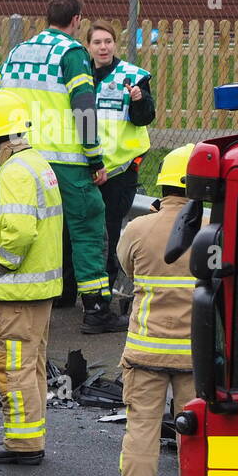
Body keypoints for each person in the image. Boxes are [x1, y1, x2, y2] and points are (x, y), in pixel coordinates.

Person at [0, 0, 123, 335]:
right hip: (67, 161)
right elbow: (83, 106)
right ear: (77, 20)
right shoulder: (72, 53)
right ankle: (95, 310)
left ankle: (54, 293)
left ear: (47, 17)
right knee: (88, 229)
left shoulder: (19, 51)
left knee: (39, 225)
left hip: (23, 156)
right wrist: (94, 156)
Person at [0, 91, 65, 465]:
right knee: (32, 364)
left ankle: (22, 445)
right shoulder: (38, 163)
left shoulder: (15, 172)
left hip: (19, 289)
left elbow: (20, 232)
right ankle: (30, 438)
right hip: (39, 287)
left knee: (14, 367)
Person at [104, 144, 197, 476]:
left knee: (141, 430)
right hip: (196, 356)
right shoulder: (213, 228)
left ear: (163, 184)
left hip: (147, 351)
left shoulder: (139, 228)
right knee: (196, 436)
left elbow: (126, 266)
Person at [87, 22, 156, 290]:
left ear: (115, 44)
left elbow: (145, 118)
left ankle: (103, 292)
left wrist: (139, 100)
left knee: (109, 231)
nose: (103, 47)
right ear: (89, 46)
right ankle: (69, 290)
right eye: (97, 42)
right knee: (74, 230)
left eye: (108, 42)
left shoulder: (133, 76)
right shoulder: (78, 75)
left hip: (119, 171)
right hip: (85, 167)